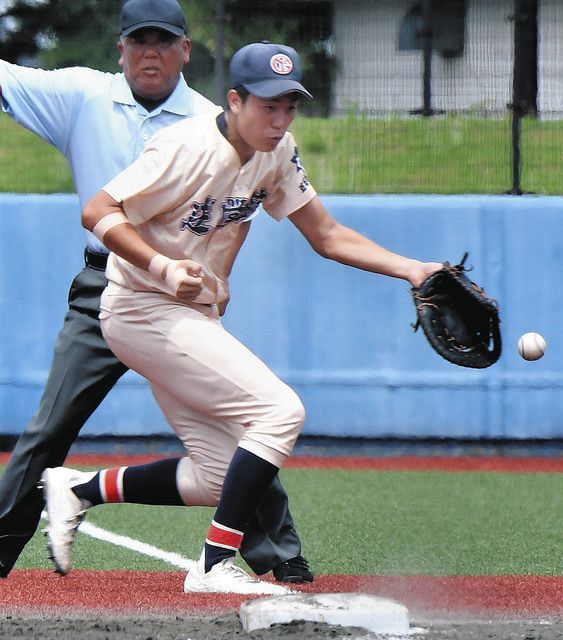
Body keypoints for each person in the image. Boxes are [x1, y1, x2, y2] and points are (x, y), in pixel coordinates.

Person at [40, 41, 443, 594]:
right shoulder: (183, 147)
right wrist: (161, 267)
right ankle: (212, 567)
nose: (279, 121)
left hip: (188, 314)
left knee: (216, 476)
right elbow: (97, 211)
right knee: (279, 411)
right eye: (267, 106)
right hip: (140, 308)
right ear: (234, 100)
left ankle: (80, 489)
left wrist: (412, 269)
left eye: (290, 107)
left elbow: (324, 234)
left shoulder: (278, 152)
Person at [0, 0, 312, 587]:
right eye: (139, 40)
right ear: (119, 49)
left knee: (244, 418)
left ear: (186, 50)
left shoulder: (220, 116)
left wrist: (218, 280)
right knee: (50, 429)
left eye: (164, 41)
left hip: (181, 297)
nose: (151, 52)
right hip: (108, 287)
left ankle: (279, 557)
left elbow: (238, 211)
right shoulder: (82, 96)